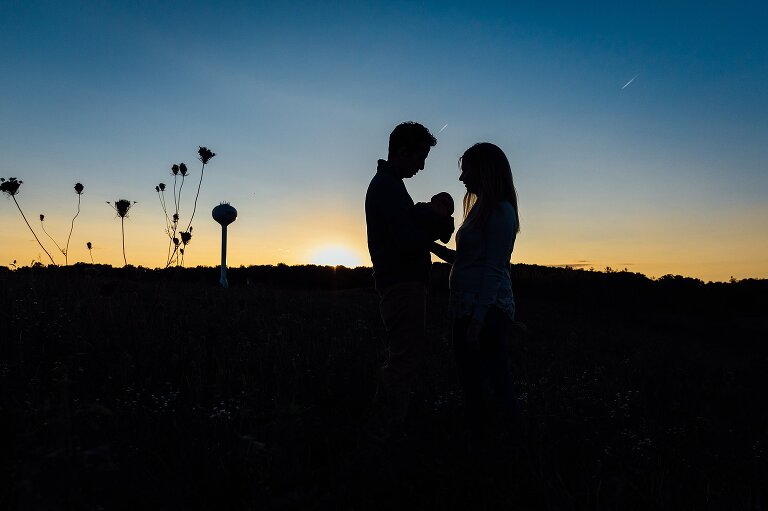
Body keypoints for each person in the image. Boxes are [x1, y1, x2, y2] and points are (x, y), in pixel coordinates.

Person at [430, 142, 520, 449]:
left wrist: (478, 321)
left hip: (485, 313)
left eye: (466, 169)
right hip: (468, 310)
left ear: (484, 170)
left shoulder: (500, 211)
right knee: (472, 383)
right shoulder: (480, 209)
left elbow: (494, 270)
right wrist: (432, 248)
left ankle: (509, 448)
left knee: (495, 383)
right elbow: (468, 260)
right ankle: (482, 443)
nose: (461, 178)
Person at [364, 121, 451, 428]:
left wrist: (440, 251)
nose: (422, 167)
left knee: (402, 359)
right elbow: (406, 239)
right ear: (402, 152)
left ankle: (385, 429)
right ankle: (383, 434)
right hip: (402, 287)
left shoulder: (391, 185)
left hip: (400, 284)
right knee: (403, 363)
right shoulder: (387, 187)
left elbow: (407, 233)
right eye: (420, 158)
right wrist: (432, 218)